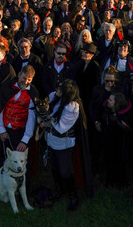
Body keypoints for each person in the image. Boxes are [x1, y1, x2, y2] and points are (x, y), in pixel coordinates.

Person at [44, 79, 93, 211]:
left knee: (64, 171)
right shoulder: (55, 97)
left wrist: (46, 122)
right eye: (58, 88)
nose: (57, 90)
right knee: (54, 168)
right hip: (51, 140)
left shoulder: (72, 107)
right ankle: (59, 189)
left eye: (61, 89)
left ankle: (73, 195)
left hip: (63, 144)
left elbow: (61, 127)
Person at [0, 65, 38, 166]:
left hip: (21, 132)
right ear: (19, 75)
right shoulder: (6, 87)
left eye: (29, 80)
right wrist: (1, 130)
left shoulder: (33, 93)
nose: (26, 81)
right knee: (5, 160)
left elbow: (31, 118)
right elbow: (0, 110)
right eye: (24, 78)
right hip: (6, 130)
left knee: (20, 163)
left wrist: (25, 139)